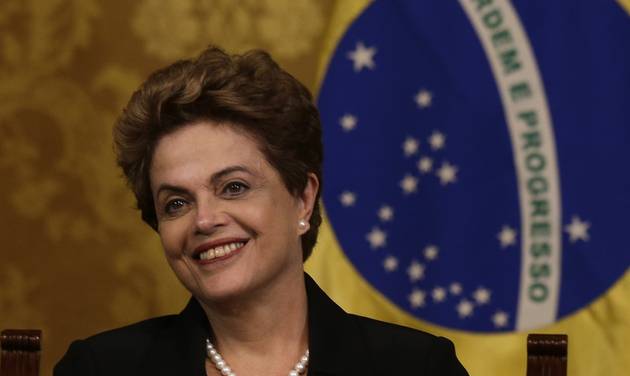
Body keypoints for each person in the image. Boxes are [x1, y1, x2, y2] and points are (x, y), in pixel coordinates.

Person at [54, 46, 469, 376]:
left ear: (302, 199)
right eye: (176, 203)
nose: (204, 220)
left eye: (233, 187)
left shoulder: (417, 366)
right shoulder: (100, 368)